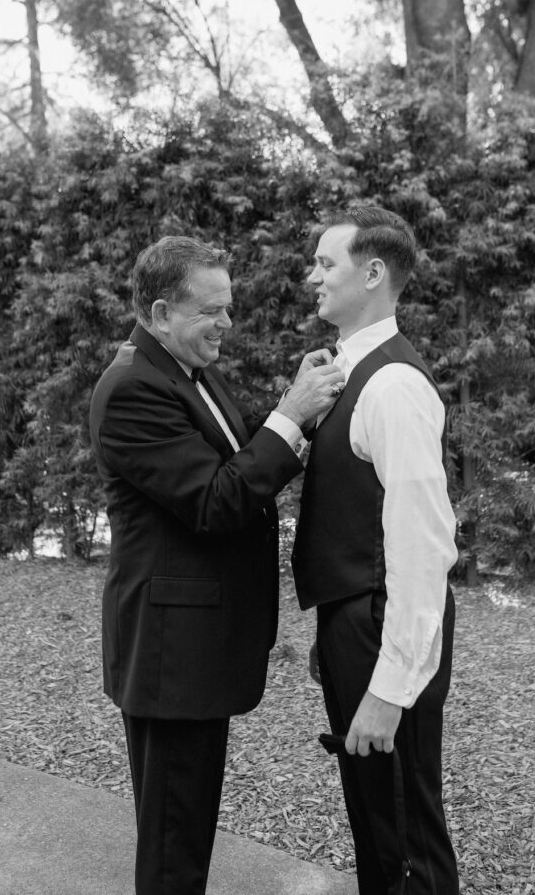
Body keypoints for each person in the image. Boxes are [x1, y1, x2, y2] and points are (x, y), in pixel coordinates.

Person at [89, 235, 344, 895]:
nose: (226, 325)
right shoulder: (131, 391)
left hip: (196, 649)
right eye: (212, 311)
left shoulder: (184, 371)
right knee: (175, 844)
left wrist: (297, 402)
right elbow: (215, 499)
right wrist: (290, 417)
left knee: (185, 826)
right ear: (160, 311)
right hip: (172, 656)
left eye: (228, 309)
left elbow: (231, 458)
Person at [291, 205, 459, 895]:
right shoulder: (345, 373)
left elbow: (421, 548)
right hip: (354, 624)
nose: (312, 278)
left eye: (325, 264)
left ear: (373, 272)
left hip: (383, 627)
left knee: (403, 836)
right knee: (374, 821)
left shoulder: (391, 385)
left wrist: (390, 689)